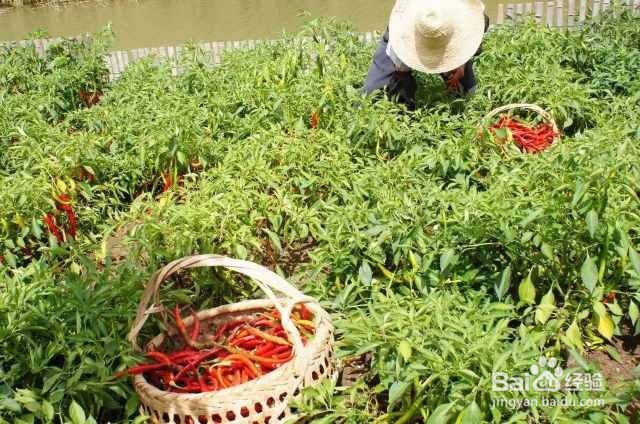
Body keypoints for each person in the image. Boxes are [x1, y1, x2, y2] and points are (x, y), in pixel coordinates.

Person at [363, 0, 490, 110]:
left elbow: (478, 27)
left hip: (451, 33)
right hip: (412, 33)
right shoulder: (401, 36)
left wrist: (461, 61)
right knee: (368, 98)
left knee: (470, 96)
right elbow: (401, 73)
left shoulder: (466, 13)